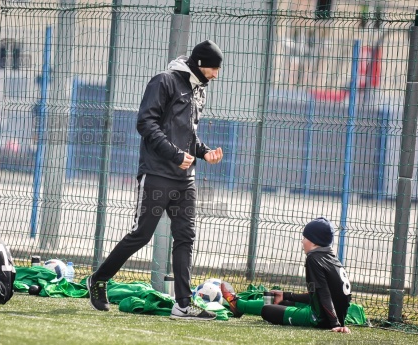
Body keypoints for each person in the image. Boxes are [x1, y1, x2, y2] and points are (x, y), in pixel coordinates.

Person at [86, 40, 224, 321]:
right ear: (199, 64)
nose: (216, 75)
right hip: (157, 175)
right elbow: (145, 123)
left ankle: (183, 305)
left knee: (185, 238)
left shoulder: (199, 91)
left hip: (185, 180)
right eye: (214, 68)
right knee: (141, 234)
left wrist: (205, 152)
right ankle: (98, 279)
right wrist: (174, 154)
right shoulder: (164, 81)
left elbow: (188, 135)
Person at [221, 217, 352, 333]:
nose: (302, 241)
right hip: (331, 316)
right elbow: (318, 296)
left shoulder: (313, 258)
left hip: (320, 319)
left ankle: (238, 305)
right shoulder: (332, 258)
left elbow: (323, 293)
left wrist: (334, 324)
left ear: (314, 242)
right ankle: (239, 306)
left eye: (305, 237)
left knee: (267, 310)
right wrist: (286, 295)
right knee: (279, 300)